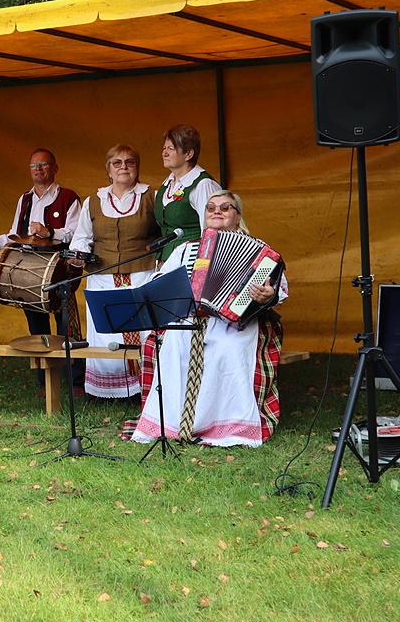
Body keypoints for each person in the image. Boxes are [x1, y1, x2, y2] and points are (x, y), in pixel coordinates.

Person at [131, 190, 288, 448]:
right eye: (210, 207)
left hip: (236, 321)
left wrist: (267, 295)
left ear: (238, 216)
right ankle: (172, 423)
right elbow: (159, 281)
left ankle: (231, 426)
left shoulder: (260, 251)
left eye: (225, 207)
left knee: (229, 349)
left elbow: (277, 288)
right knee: (173, 346)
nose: (216, 211)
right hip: (190, 318)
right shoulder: (186, 250)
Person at [0, 148, 84, 398]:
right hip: (30, 271)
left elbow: (77, 233)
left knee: (67, 327)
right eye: (34, 166)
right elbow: (15, 234)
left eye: (43, 164)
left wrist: (49, 233)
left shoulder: (68, 197)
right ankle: (45, 383)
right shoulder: (24, 200)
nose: (38, 169)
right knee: (37, 329)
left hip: (60, 270)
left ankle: (76, 382)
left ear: (55, 168)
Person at [67, 144, 160, 400]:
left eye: (129, 162)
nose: (123, 167)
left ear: (137, 167)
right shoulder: (93, 201)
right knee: (106, 331)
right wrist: (77, 254)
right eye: (117, 163)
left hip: (141, 275)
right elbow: (82, 237)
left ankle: (145, 386)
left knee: (143, 329)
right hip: (102, 278)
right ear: (108, 170)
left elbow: (165, 233)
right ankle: (107, 389)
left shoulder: (152, 197)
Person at [154, 125, 221, 263]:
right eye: (164, 148)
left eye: (171, 149)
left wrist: (202, 268)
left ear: (189, 154)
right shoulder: (167, 184)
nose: (164, 153)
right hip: (166, 264)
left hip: (190, 265)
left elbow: (211, 233)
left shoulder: (203, 185)